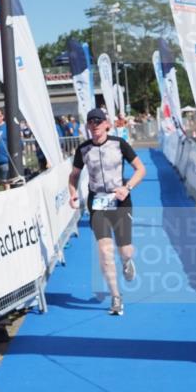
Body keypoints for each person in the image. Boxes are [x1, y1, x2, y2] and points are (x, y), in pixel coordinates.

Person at [68, 108, 147, 316]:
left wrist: (127, 187)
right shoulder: (83, 149)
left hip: (120, 200)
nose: (94, 125)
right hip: (97, 202)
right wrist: (73, 193)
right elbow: (74, 175)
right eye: (90, 122)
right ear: (87, 126)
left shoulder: (119, 144)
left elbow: (141, 169)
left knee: (125, 250)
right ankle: (116, 297)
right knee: (104, 250)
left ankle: (127, 261)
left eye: (98, 122)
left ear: (106, 125)